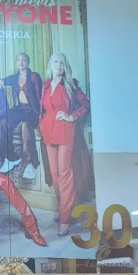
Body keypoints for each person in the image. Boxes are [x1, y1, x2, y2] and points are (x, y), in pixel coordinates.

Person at [40, 52, 92, 237]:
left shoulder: (71, 84)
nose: (59, 65)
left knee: (65, 175)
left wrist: (71, 116)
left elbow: (86, 105)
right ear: (50, 65)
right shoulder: (45, 86)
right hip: (48, 133)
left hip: (65, 132)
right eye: (55, 62)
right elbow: (42, 109)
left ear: (65, 66)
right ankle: (66, 209)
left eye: (62, 62)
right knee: (54, 176)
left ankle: (65, 219)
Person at [0, 52, 43, 176]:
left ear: (28, 62)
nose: (21, 62)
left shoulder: (34, 76)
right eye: (18, 60)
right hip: (19, 109)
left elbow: (41, 97)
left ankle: (29, 164)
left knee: (26, 125)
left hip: (32, 110)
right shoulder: (14, 77)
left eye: (23, 60)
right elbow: (2, 80)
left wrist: (41, 116)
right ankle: (11, 158)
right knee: (3, 123)